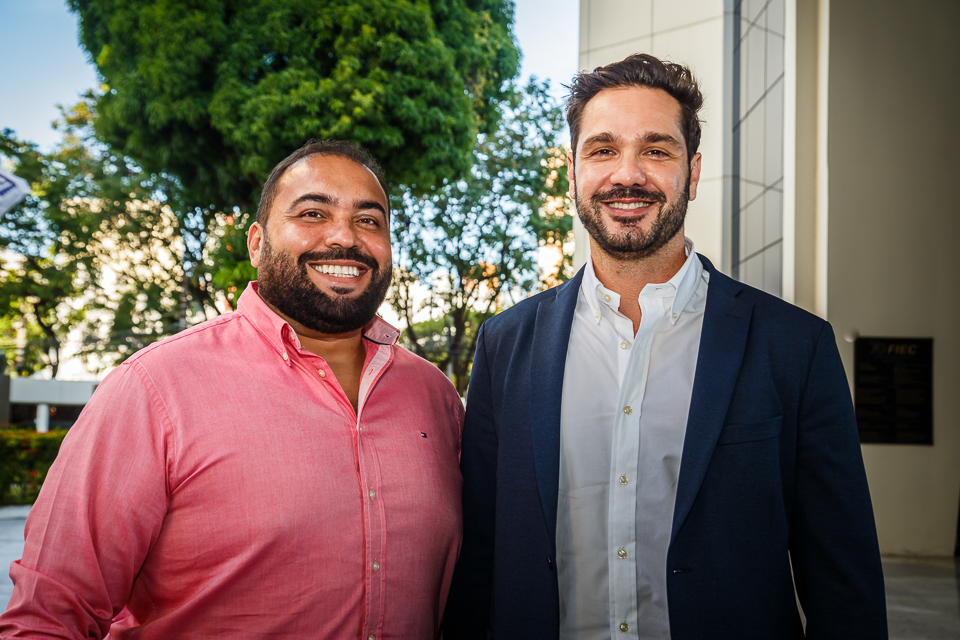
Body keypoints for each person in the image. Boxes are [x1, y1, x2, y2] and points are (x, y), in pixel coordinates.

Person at [443, 54, 887, 640]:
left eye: (656, 150)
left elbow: (844, 585)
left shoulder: (794, 346)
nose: (627, 175)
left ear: (692, 173)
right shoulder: (505, 344)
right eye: (603, 150)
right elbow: (479, 562)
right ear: (572, 172)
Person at [0, 141, 465, 639]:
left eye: (369, 221)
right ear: (257, 244)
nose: (344, 237)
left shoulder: (435, 397)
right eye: (312, 213)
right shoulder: (153, 388)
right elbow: (49, 619)